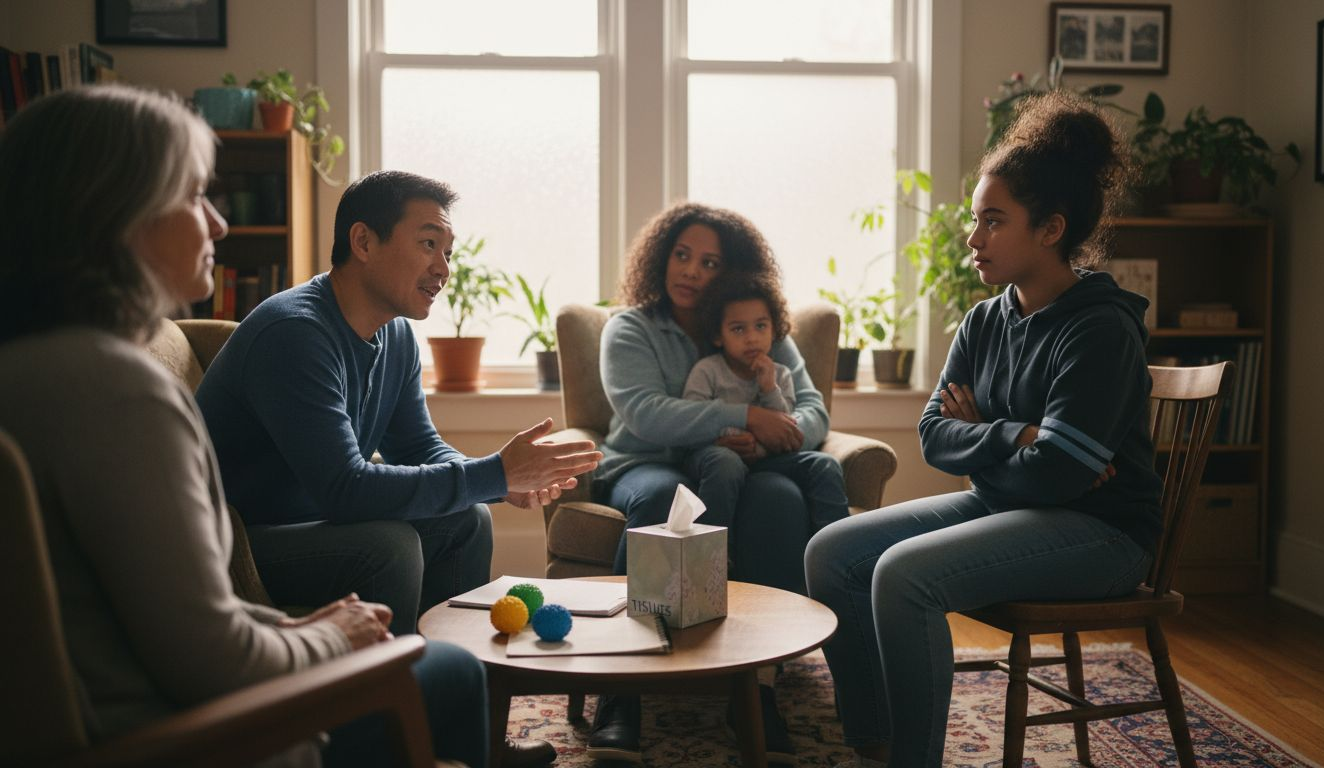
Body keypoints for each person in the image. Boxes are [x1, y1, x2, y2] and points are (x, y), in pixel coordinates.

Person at [0, 84, 488, 767]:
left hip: (159, 702)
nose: (219, 224)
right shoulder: (120, 393)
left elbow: (165, 612)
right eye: (195, 195)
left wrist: (297, 625)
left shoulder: (33, 367)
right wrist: (334, 638)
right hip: (198, 737)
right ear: (117, 213)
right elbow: (211, 659)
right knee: (451, 671)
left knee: (451, 550)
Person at [804, 90, 1162, 768]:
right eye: (976, 221)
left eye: (993, 222)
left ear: (1050, 229)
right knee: (832, 552)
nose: (972, 239)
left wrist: (1006, 441)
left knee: (903, 576)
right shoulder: (984, 319)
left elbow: (1061, 473)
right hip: (1012, 505)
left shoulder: (1099, 327)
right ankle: (874, 743)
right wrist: (1017, 436)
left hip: (1105, 531)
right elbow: (936, 436)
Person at [195, 169, 598, 766]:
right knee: (387, 545)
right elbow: (344, 491)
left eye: (449, 251)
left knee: (469, 522)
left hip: (311, 526)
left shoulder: (396, 338)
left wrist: (498, 481)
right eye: (428, 243)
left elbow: (421, 448)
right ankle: (398, 739)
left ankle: (470, 729)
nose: (444, 267)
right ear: (363, 242)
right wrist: (491, 473)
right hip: (244, 544)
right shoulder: (295, 333)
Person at [590, 202, 832, 764]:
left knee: (778, 497)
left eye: (708, 261)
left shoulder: (753, 321)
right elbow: (646, 413)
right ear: (660, 258)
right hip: (647, 463)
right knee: (658, 499)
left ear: (733, 270)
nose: (691, 271)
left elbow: (812, 408)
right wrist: (744, 419)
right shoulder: (630, 327)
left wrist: (775, 435)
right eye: (681, 255)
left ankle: (758, 689)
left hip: (744, 470)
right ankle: (619, 693)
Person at [682, 276, 849, 563]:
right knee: (724, 462)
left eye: (761, 326)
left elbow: (784, 424)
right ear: (718, 335)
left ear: (774, 329)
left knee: (825, 464)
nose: (751, 337)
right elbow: (693, 416)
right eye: (738, 329)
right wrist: (730, 435)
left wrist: (769, 387)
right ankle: (712, 562)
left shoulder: (780, 373)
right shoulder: (708, 370)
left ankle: (839, 557)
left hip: (766, 458)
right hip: (716, 454)